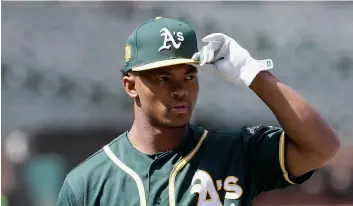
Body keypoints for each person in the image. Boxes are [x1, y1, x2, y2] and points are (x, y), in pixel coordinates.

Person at [56, 17, 340, 206]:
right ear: (131, 86)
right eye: (163, 77)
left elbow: (322, 147)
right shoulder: (87, 184)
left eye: (189, 76)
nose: (181, 89)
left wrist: (255, 75)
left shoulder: (235, 152)